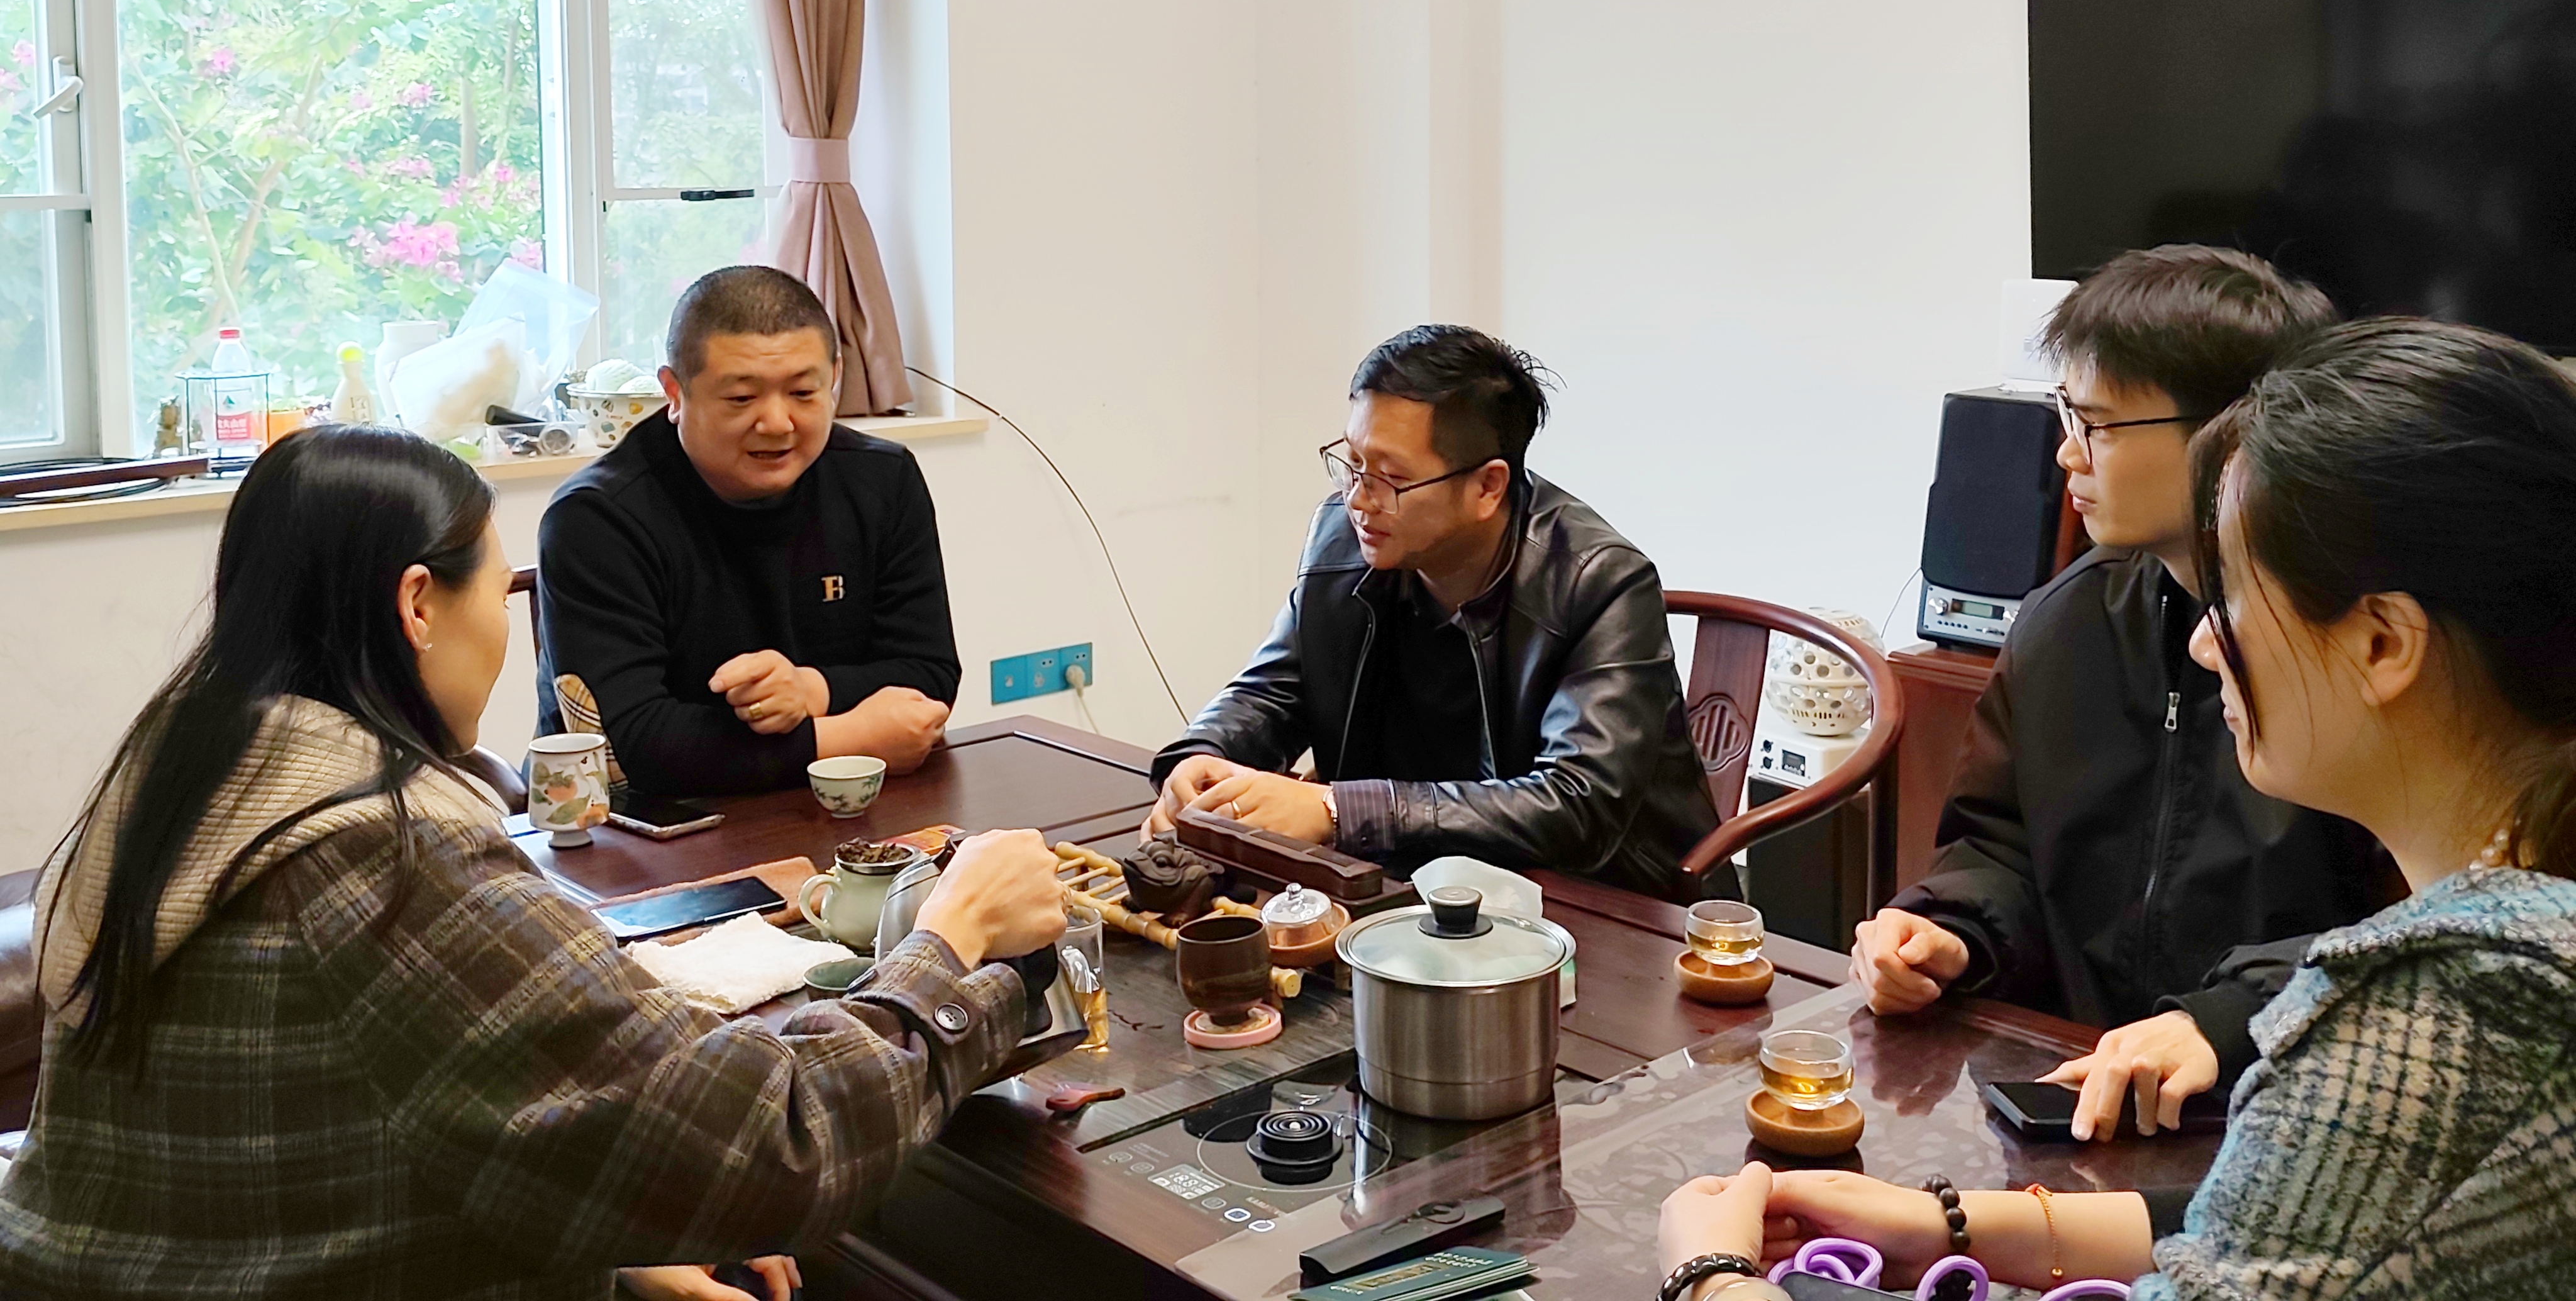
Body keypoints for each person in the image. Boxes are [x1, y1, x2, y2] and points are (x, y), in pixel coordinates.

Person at [0, 425, 1067, 1301]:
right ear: (420, 604)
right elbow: (773, 1142)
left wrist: (598, 1230)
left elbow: (339, 1120)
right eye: (499, 590)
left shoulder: (183, 782)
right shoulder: (389, 858)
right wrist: (950, 944)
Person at [1659, 318, 2576, 1298]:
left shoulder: (2440, 1013)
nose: (2207, 644)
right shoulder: (2509, 953)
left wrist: (1714, 1281)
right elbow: (2284, 1223)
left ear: (2384, 644)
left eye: (2239, 596)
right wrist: (1958, 1225)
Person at [1850, 247, 2383, 1141]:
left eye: (2094, 424)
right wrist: (1948, 930)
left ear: (2235, 432)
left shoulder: (2355, 652)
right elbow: (2000, 845)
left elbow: (2426, 923)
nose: (2066, 452)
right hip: (2074, 1094)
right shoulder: (2066, 620)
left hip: (2289, 1108)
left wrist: (2223, 1022)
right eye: (2067, 415)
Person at [1145, 324, 1721, 898]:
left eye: (1391, 478)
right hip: (1408, 887)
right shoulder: (1342, 540)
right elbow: (1272, 691)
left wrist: (1336, 809)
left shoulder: (1600, 582)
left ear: (1487, 487)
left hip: (1600, 905)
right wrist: (1201, 758)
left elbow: (1578, 806)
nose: (1358, 499)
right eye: (1352, 463)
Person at [537, 265, 958, 795]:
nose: (778, 424)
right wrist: (846, 737)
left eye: (803, 392)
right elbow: (633, 745)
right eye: (741, 398)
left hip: (838, 803)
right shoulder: (597, 518)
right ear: (674, 393)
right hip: (643, 821)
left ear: (835, 376)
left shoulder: (882, 480)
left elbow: (928, 674)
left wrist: (812, 690)